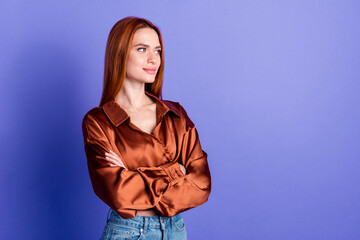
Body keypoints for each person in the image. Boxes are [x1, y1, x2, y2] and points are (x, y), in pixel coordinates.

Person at [81, 16, 211, 240]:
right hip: (127, 231)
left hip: (175, 231)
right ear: (119, 53)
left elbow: (201, 185)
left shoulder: (176, 114)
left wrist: (131, 175)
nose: (153, 59)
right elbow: (119, 193)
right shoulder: (98, 121)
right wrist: (175, 171)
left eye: (158, 51)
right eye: (142, 49)